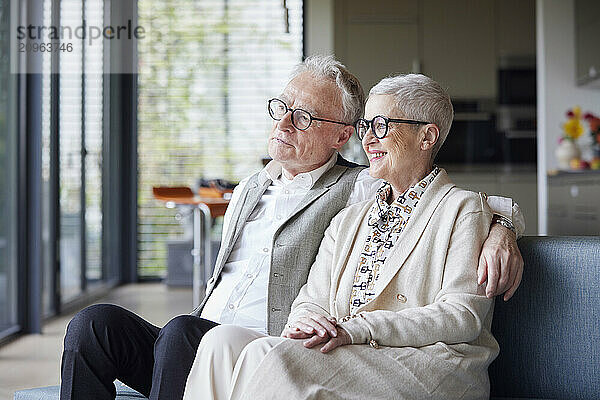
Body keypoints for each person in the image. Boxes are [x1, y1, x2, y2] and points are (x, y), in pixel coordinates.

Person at [60, 56, 523, 400]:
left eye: (302, 116)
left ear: (341, 135)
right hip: (203, 341)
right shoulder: (249, 188)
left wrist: (503, 226)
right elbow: (311, 297)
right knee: (94, 324)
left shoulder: (355, 186)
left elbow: (454, 201)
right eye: (282, 107)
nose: (283, 122)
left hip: (262, 341)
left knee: (185, 332)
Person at [184, 73, 503, 400]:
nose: (368, 140)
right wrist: (306, 322)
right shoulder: (350, 219)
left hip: (427, 360)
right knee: (219, 343)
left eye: (382, 126)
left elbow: (461, 317)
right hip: (353, 348)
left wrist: (359, 328)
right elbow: (310, 300)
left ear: (426, 137)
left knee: (270, 355)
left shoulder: (463, 209)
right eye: (365, 127)